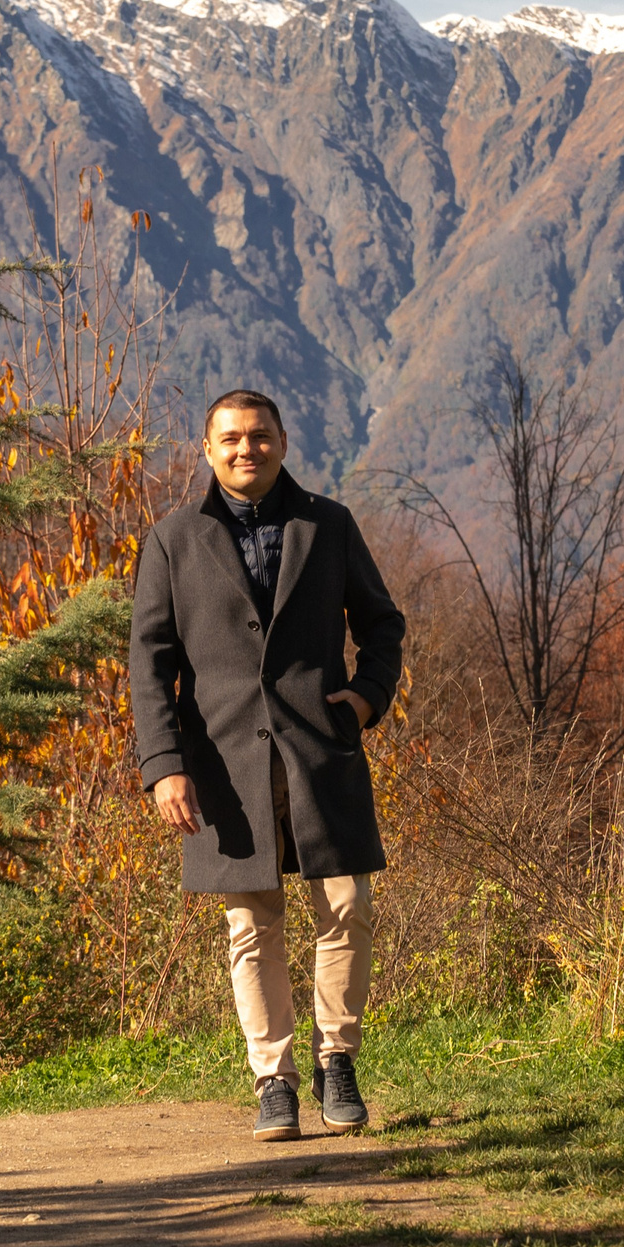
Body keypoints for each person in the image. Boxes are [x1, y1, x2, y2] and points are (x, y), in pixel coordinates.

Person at [129, 389, 406, 1140]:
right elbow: (149, 664)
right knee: (252, 924)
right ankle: (274, 1080)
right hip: (222, 764)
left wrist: (366, 699)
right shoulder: (172, 540)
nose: (245, 449)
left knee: (347, 905)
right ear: (207, 449)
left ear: (282, 441)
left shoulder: (329, 525)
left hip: (322, 751)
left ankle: (337, 1061)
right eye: (230, 438)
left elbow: (382, 624)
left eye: (258, 435)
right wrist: (163, 763)